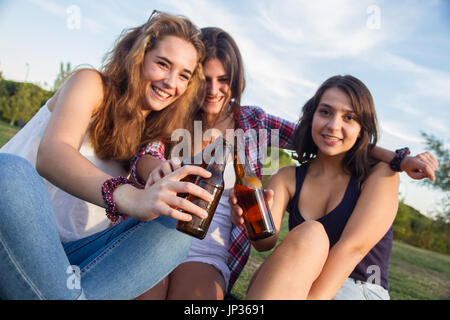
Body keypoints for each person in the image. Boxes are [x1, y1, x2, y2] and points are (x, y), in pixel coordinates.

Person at [130, 28, 438, 300]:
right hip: (157, 230)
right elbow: (148, 154)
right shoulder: (173, 116)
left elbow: (317, 136)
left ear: (236, 81)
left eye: (223, 80)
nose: (213, 90)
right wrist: (155, 168)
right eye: (205, 80)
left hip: (210, 247)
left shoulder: (254, 122)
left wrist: (398, 158)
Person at [0, 11, 214, 300]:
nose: (170, 82)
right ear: (139, 56)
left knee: (173, 228)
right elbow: (53, 153)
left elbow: (150, 163)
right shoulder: (90, 84)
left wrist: (158, 188)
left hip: (72, 260)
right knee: (10, 172)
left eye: (184, 75)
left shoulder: (150, 137)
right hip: (13, 238)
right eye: (163, 64)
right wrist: (130, 197)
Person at [230, 75, 438, 300]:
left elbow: (352, 249)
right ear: (312, 117)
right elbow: (264, 244)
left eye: (348, 117)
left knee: (313, 232)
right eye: (325, 112)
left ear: (361, 128)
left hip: (359, 287)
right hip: (296, 280)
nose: (333, 125)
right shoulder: (287, 177)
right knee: (310, 234)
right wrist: (250, 218)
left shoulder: (381, 173)